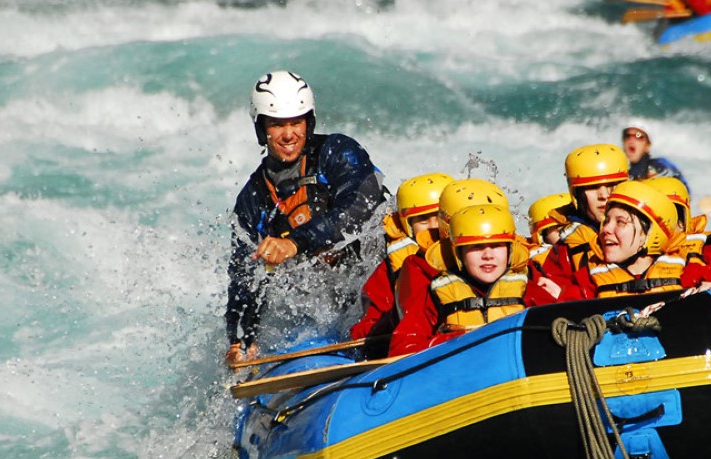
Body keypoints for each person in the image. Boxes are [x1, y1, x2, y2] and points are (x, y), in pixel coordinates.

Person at [226, 70, 388, 366]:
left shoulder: (338, 153)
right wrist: (240, 340)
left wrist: (295, 243)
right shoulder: (252, 201)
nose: (289, 134)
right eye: (277, 124)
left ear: (308, 122)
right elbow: (243, 278)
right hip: (324, 309)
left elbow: (361, 205)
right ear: (262, 129)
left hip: (379, 283)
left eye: (296, 122)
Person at [388, 204, 558, 356]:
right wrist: (454, 341)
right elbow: (402, 348)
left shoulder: (526, 288)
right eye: (476, 247)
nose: (488, 256)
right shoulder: (437, 294)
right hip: (462, 377)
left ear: (510, 250)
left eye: (497, 246)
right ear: (458, 253)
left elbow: (563, 328)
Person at [548, 181, 711, 299]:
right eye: (606, 221)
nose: (605, 230)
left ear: (648, 234)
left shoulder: (690, 273)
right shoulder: (587, 279)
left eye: (620, 222)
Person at [348, 172, 454, 354]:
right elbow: (367, 326)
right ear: (407, 226)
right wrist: (392, 321)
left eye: (439, 216)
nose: (434, 226)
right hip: (415, 342)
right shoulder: (391, 270)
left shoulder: (481, 254)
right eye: (423, 220)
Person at [539, 144, 630, 281]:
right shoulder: (560, 240)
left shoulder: (646, 227)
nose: (604, 195)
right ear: (577, 195)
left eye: (612, 185)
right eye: (593, 187)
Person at [621, 124, 686, 185]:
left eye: (638, 135)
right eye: (627, 136)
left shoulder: (660, 166)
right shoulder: (623, 174)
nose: (631, 140)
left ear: (647, 145)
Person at [527, 192, 572, 266]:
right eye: (560, 230)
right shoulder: (537, 262)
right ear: (542, 237)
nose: (569, 234)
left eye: (574, 228)